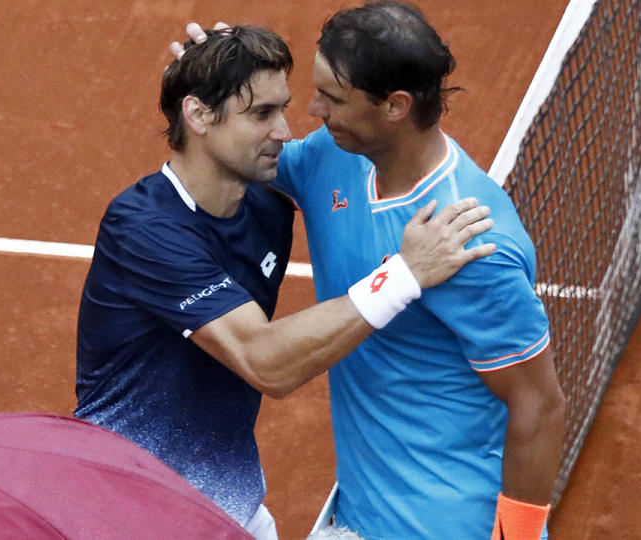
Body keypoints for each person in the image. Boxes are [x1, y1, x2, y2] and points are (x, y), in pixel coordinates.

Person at [74, 25, 496, 540]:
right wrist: (403, 274)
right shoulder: (143, 229)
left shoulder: (268, 204)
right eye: (261, 114)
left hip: (233, 507)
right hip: (130, 512)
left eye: (282, 109)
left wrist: (213, 64)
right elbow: (266, 362)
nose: (285, 132)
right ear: (198, 114)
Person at [178, 3, 567, 539]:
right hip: (358, 516)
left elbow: (539, 404)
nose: (314, 110)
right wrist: (214, 89)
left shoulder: (473, 244)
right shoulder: (335, 156)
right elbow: (249, 156)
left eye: (333, 99)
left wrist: (519, 537)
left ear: (395, 106)